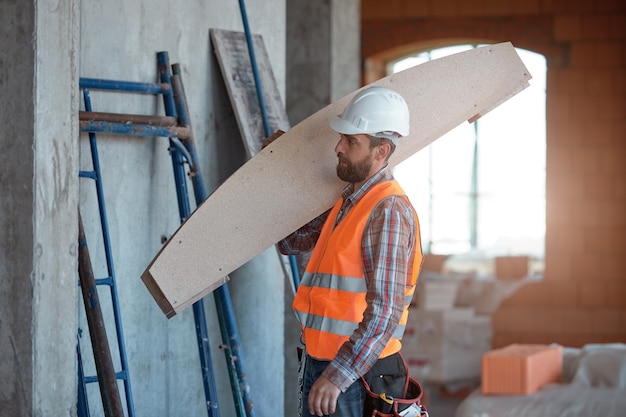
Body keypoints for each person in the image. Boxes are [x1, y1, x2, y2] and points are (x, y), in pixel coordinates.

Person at [275, 86, 423, 417]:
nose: (338, 147)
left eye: (351, 141)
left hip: (355, 374)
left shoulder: (388, 211)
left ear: (380, 151)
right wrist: (279, 173)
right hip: (324, 363)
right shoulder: (347, 200)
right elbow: (290, 241)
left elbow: (385, 312)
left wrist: (337, 376)